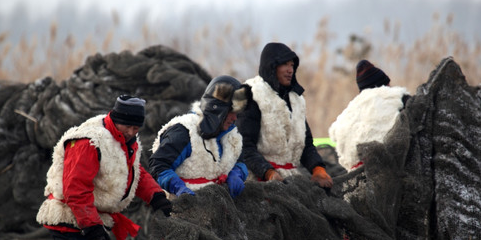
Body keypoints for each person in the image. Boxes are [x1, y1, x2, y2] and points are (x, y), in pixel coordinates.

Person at [36, 95, 172, 240]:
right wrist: (92, 229)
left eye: (136, 127)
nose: (132, 131)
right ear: (116, 119)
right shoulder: (89, 141)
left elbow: (133, 172)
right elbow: (75, 191)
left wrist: (157, 197)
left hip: (92, 219)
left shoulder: (125, 141)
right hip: (69, 218)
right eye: (128, 125)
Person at [236, 42, 333, 188]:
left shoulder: (297, 100)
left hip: (291, 179)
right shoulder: (252, 95)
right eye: (285, 65)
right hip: (259, 182)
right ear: (271, 66)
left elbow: (306, 144)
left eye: (292, 65)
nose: (290, 70)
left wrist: (318, 168)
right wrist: (267, 172)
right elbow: (245, 146)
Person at [149, 75, 249, 198]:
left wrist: (237, 173)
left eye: (237, 113)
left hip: (221, 209)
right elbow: (158, 165)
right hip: (182, 210)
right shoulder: (184, 131)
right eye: (231, 112)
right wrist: (179, 188)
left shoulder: (231, 135)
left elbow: (240, 161)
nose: (235, 118)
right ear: (218, 109)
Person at [328, 59, 410, 170]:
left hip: (356, 178)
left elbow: (334, 134)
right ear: (386, 84)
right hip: (392, 173)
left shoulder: (348, 113)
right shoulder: (397, 99)